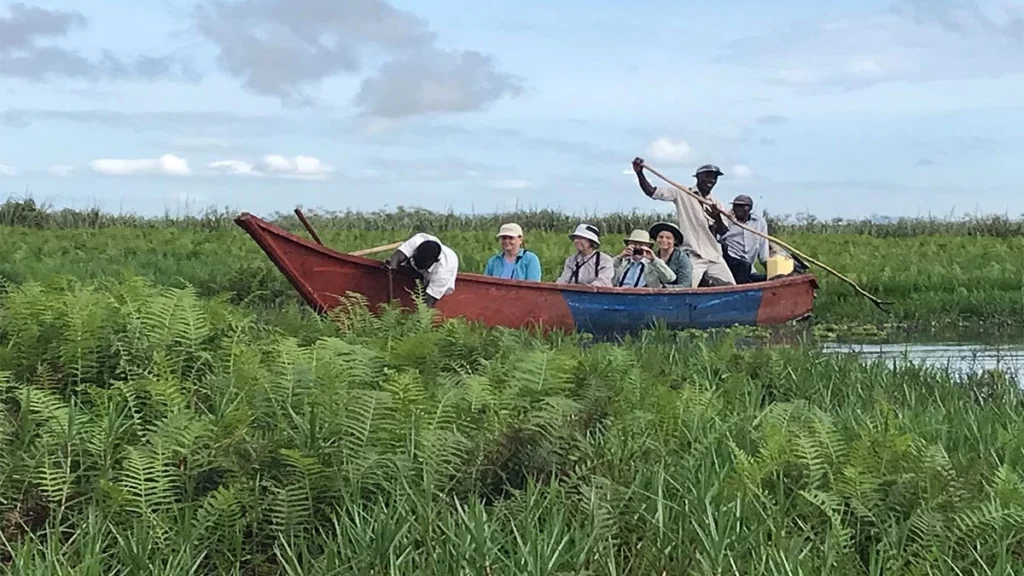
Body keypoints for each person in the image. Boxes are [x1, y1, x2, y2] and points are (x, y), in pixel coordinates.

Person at [631, 158, 736, 287]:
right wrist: (639, 173)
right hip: (693, 255)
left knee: (731, 287)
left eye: (714, 178)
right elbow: (652, 192)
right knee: (687, 288)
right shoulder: (683, 193)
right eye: (707, 176)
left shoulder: (716, 203)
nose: (710, 180)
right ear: (698, 177)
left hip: (713, 254)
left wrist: (717, 217)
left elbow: (723, 231)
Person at [384, 232, 459, 307]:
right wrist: (392, 270)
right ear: (416, 250)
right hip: (414, 263)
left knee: (427, 291)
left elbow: (428, 303)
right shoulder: (417, 240)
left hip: (436, 274)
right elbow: (397, 256)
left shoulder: (444, 273)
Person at [718, 194, 769, 284]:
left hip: (749, 268)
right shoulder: (726, 220)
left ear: (750, 208)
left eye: (742, 206)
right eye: (736, 206)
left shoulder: (759, 223)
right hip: (730, 266)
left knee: (762, 278)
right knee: (742, 267)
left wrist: (770, 272)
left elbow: (763, 251)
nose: (738, 209)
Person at [612, 229, 677, 288]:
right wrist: (620, 257)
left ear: (648, 247)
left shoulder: (653, 265)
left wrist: (653, 259)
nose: (637, 248)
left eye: (641, 245)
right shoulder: (621, 263)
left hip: (644, 298)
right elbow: (608, 277)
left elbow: (670, 278)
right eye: (634, 244)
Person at [648, 221, 692, 288]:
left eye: (668, 238)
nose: (664, 240)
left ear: (675, 241)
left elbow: (685, 285)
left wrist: (663, 288)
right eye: (661, 237)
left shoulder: (682, 259)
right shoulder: (651, 255)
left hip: (675, 295)